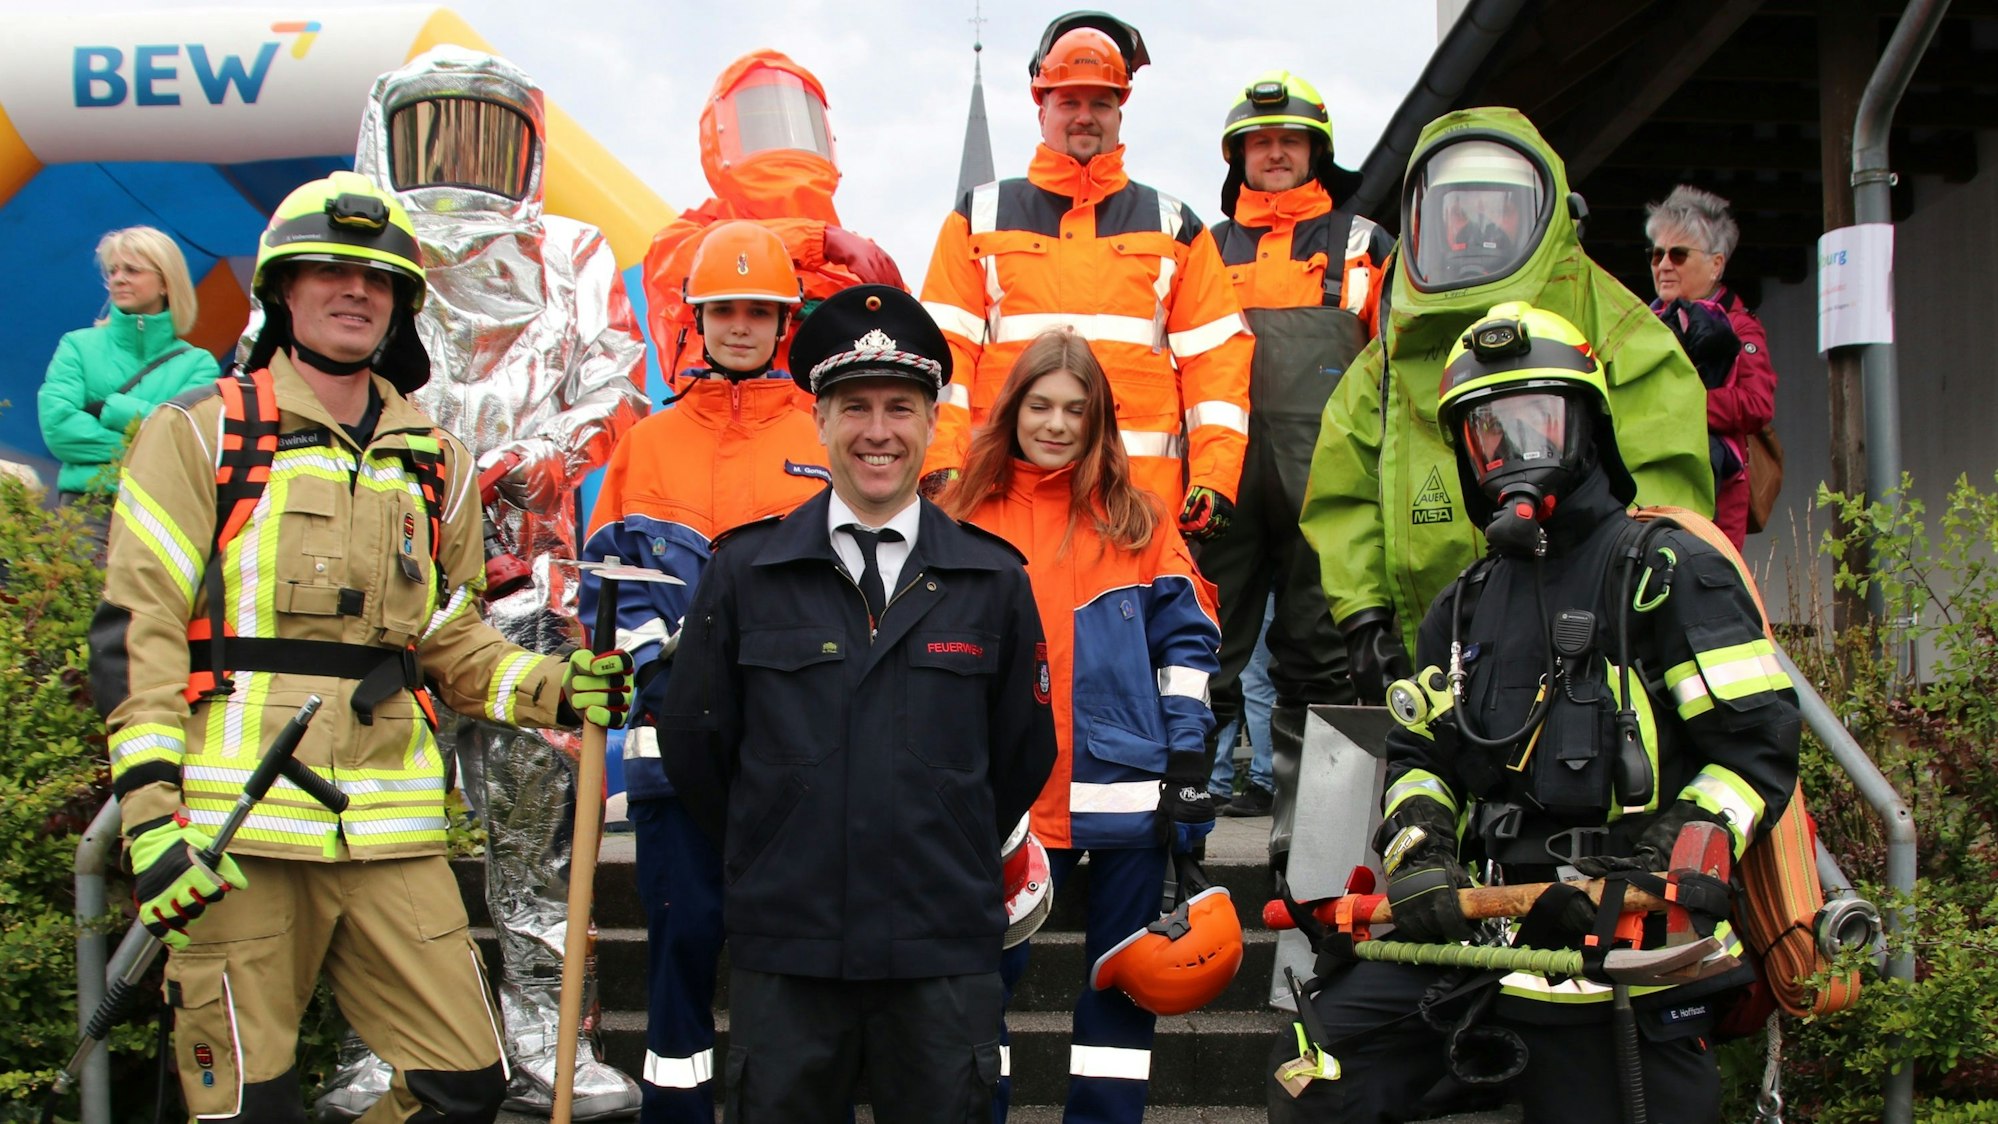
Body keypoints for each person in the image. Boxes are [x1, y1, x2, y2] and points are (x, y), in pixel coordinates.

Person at [88, 171, 635, 1124]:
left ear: (401, 308)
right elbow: (141, 635)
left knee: (463, 1087)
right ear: (282, 293)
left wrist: (555, 689)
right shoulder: (198, 434)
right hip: (233, 834)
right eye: (329, 271)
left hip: (390, 841)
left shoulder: (439, 461)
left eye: (377, 281)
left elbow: (452, 642)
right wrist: (150, 821)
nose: (355, 291)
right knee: (242, 1110)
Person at [1268, 303, 1798, 1123]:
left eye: (1534, 423)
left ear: (1585, 427)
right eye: (1487, 432)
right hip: (1484, 935)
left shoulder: (1669, 572)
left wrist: (1666, 855)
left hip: (1635, 945)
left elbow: (1756, 752)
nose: (1511, 452)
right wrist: (1422, 857)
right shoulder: (1463, 608)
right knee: (1322, 1076)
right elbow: (1422, 761)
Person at [313, 47, 652, 1121]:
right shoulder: (354, 250)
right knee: (370, 826)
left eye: (482, 126)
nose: (460, 148)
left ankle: (552, 1037)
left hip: (527, 587)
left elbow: (615, 381)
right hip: (378, 597)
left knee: (539, 832)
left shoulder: (571, 249)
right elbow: (283, 379)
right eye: (434, 124)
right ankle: (384, 1040)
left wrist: (532, 458)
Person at [655, 284, 1058, 1123]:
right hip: (790, 945)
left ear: (932, 419)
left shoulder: (993, 580)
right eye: (855, 407)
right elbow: (699, 747)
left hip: (941, 948)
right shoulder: (746, 572)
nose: (879, 432)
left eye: (902, 408)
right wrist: (781, 837)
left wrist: (938, 827)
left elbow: (1021, 755)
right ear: (820, 422)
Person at [1300, 107, 1714, 712]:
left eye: (1499, 211)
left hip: (1587, 653)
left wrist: (1634, 605)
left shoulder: (1615, 329)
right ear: (1423, 223)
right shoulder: (1392, 355)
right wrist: (1363, 620)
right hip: (1432, 662)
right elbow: (1343, 496)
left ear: (1543, 215)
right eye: (1458, 214)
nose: (1477, 232)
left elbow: (1666, 492)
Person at [578, 220, 829, 1123]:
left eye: (758, 312)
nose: (739, 326)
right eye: (724, 310)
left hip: (793, 756)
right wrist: (667, 669)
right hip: (670, 751)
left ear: (782, 324)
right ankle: (676, 1112)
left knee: (782, 952)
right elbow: (606, 582)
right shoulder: (648, 443)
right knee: (683, 941)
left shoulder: (822, 436)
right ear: (696, 319)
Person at [942, 327, 1221, 1122]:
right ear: (1013, 410)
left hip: (1124, 801)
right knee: (977, 988)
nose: (1057, 424)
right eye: (1041, 406)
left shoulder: (1138, 518)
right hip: (1005, 804)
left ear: (1099, 418)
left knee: (1122, 995)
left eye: (1076, 408)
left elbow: (1188, 646)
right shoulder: (960, 513)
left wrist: (1190, 759)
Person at [919, 11, 1252, 540]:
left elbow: (1217, 361)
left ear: (1121, 111)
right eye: (1068, 100)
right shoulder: (977, 218)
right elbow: (943, 354)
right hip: (1003, 493)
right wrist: (940, 461)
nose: (1084, 116)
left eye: (1101, 102)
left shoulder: (1175, 227)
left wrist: (1215, 476)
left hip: (1135, 505)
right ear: (1041, 106)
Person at [1200, 70, 1393, 825]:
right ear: (1237, 157)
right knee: (1200, 648)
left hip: (1331, 488)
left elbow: (1394, 364)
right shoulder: (1201, 252)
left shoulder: (1363, 244)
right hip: (1221, 480)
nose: (1275, 154)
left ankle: (1318, 839)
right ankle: (1169, 827)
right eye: (1260, 142)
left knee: (1322, 658)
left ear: (1318, 152)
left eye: (1290, 141)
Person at [642, 49, 904, 393]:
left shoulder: (851, 259)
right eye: (758, 123)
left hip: (819, 438)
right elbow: (693, 261)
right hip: (716, 430)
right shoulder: (692, 236)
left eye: (799, 119)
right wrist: (818, 241)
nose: (782, 134)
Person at [37, 226, 219, 550]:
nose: (119, 278)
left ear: (166, 282)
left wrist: (114, 410)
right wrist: (148, 438)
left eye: (132, 270)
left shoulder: (199, 364)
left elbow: (187, 442)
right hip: (84, 511)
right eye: (113, 271)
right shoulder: (77, 345)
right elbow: (59, 429)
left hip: (159, 516)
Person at [1645, 185, 1777, 549]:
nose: (1665, 265)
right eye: (1656, 255)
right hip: (1650, 482)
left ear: (1716, 264)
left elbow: (1757, 403)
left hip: (1715, 495)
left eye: (1679, 254)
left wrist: (1679, 409)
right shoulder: (1640, 323)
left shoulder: (1740, 326)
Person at [1208, 595, 1276, 815]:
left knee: (1248, 681)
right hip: (1252, 589)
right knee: (1233, 680)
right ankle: (1219, 782)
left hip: (1252, 588)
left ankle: (1265, 782)